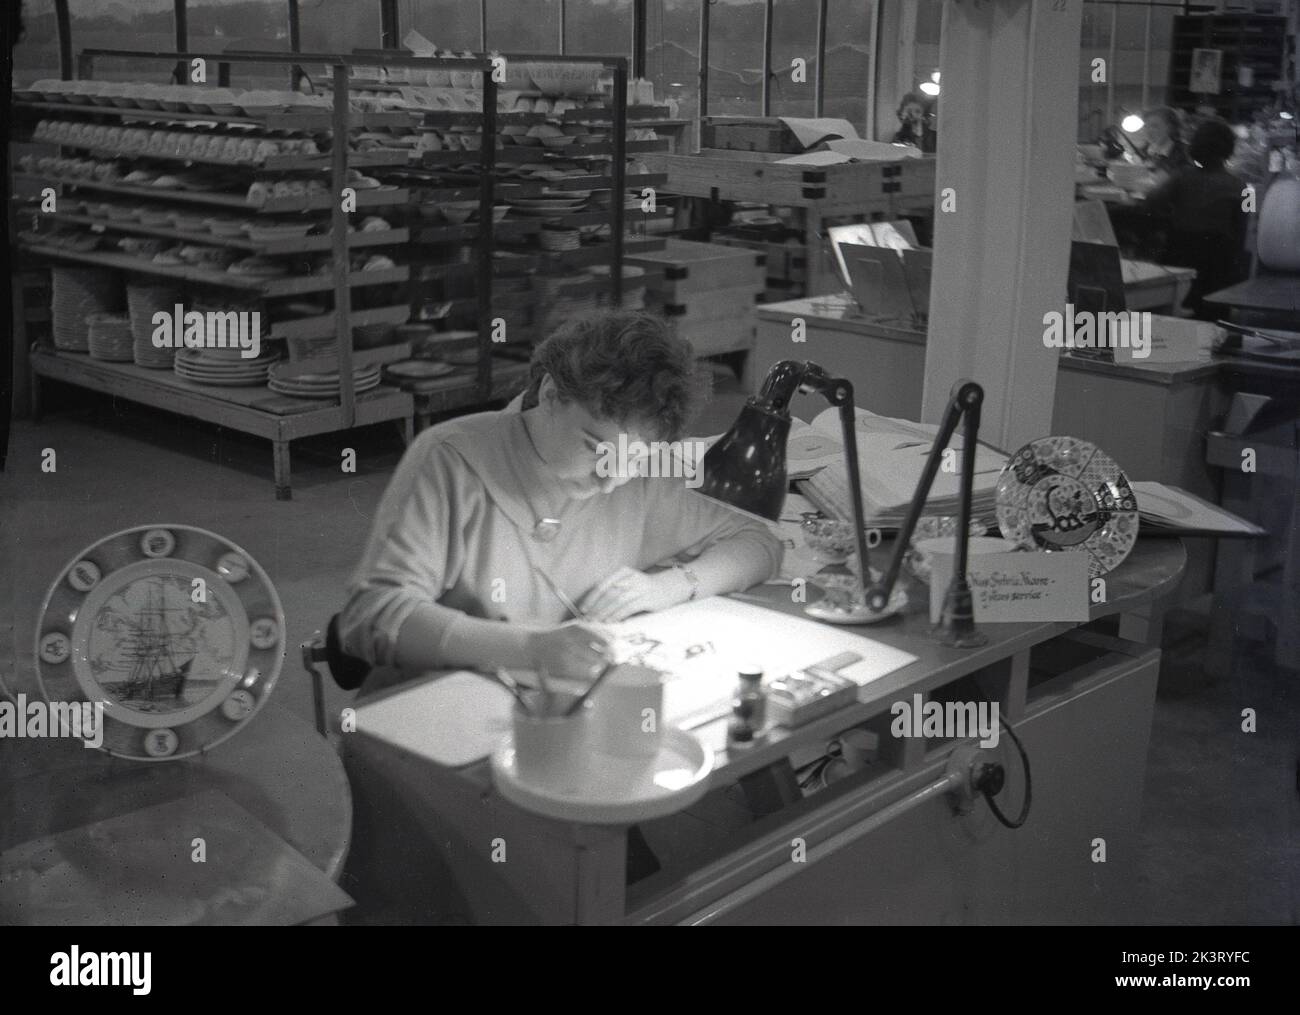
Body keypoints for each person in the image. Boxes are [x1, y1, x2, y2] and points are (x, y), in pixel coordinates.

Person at [338, 311, 784, 690]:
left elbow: (758, 543)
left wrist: (667, 586)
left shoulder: (638, 472)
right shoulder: (452, 458)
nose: (612, 480)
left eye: (637, 456)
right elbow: (372, 616)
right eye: (595, 447)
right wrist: (531, 649)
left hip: (563, 697)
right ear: (551, 395)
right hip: (438, 704)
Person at [1142, 118, 1248, 319]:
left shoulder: (1182, 177)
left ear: (1196, 146)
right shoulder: (1241, 187)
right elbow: (1242, 229)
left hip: (1181, 254)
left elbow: (1151, 202)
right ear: (1229, 150)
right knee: (1213, 316)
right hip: (1219, 262)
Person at [1138, 107, 1189, 178]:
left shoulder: (1185, 152)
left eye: (1154, 126)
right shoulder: (1142, 151)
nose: (1148, 131)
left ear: (1170, 127)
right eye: (1146, 126)